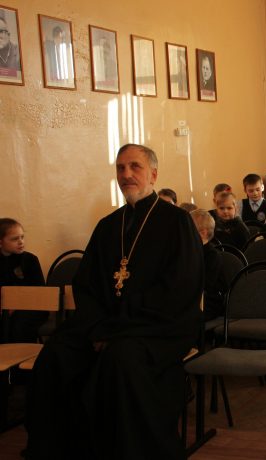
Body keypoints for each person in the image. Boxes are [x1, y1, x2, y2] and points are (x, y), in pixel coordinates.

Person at [26, 144, 204, 459]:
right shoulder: (108, 226)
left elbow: (179, 287)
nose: (126, 174)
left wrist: (116, 327)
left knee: (121, 360)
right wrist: (98, 326)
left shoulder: (177, 222)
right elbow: (86, 284)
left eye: (135, 167)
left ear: (153, 174)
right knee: (56, 355)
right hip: (107, 324)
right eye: (120, 168)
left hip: (158, 326)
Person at [0, 218, 46, 343]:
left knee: (18, 323)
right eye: (15, 239)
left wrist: (15, 305)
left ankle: (20, 353)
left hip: (32, 306)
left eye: (22, 237)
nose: (21, 242)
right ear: (1, 242)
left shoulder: (30, 260)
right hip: (5, 307)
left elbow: (40, 291)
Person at [190, 209, 229, 322]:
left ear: (203, 233)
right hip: (193, 298)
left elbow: (206, 284)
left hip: (210, 301)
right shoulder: (189, 252)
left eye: (188, 229)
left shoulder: (212, 255)